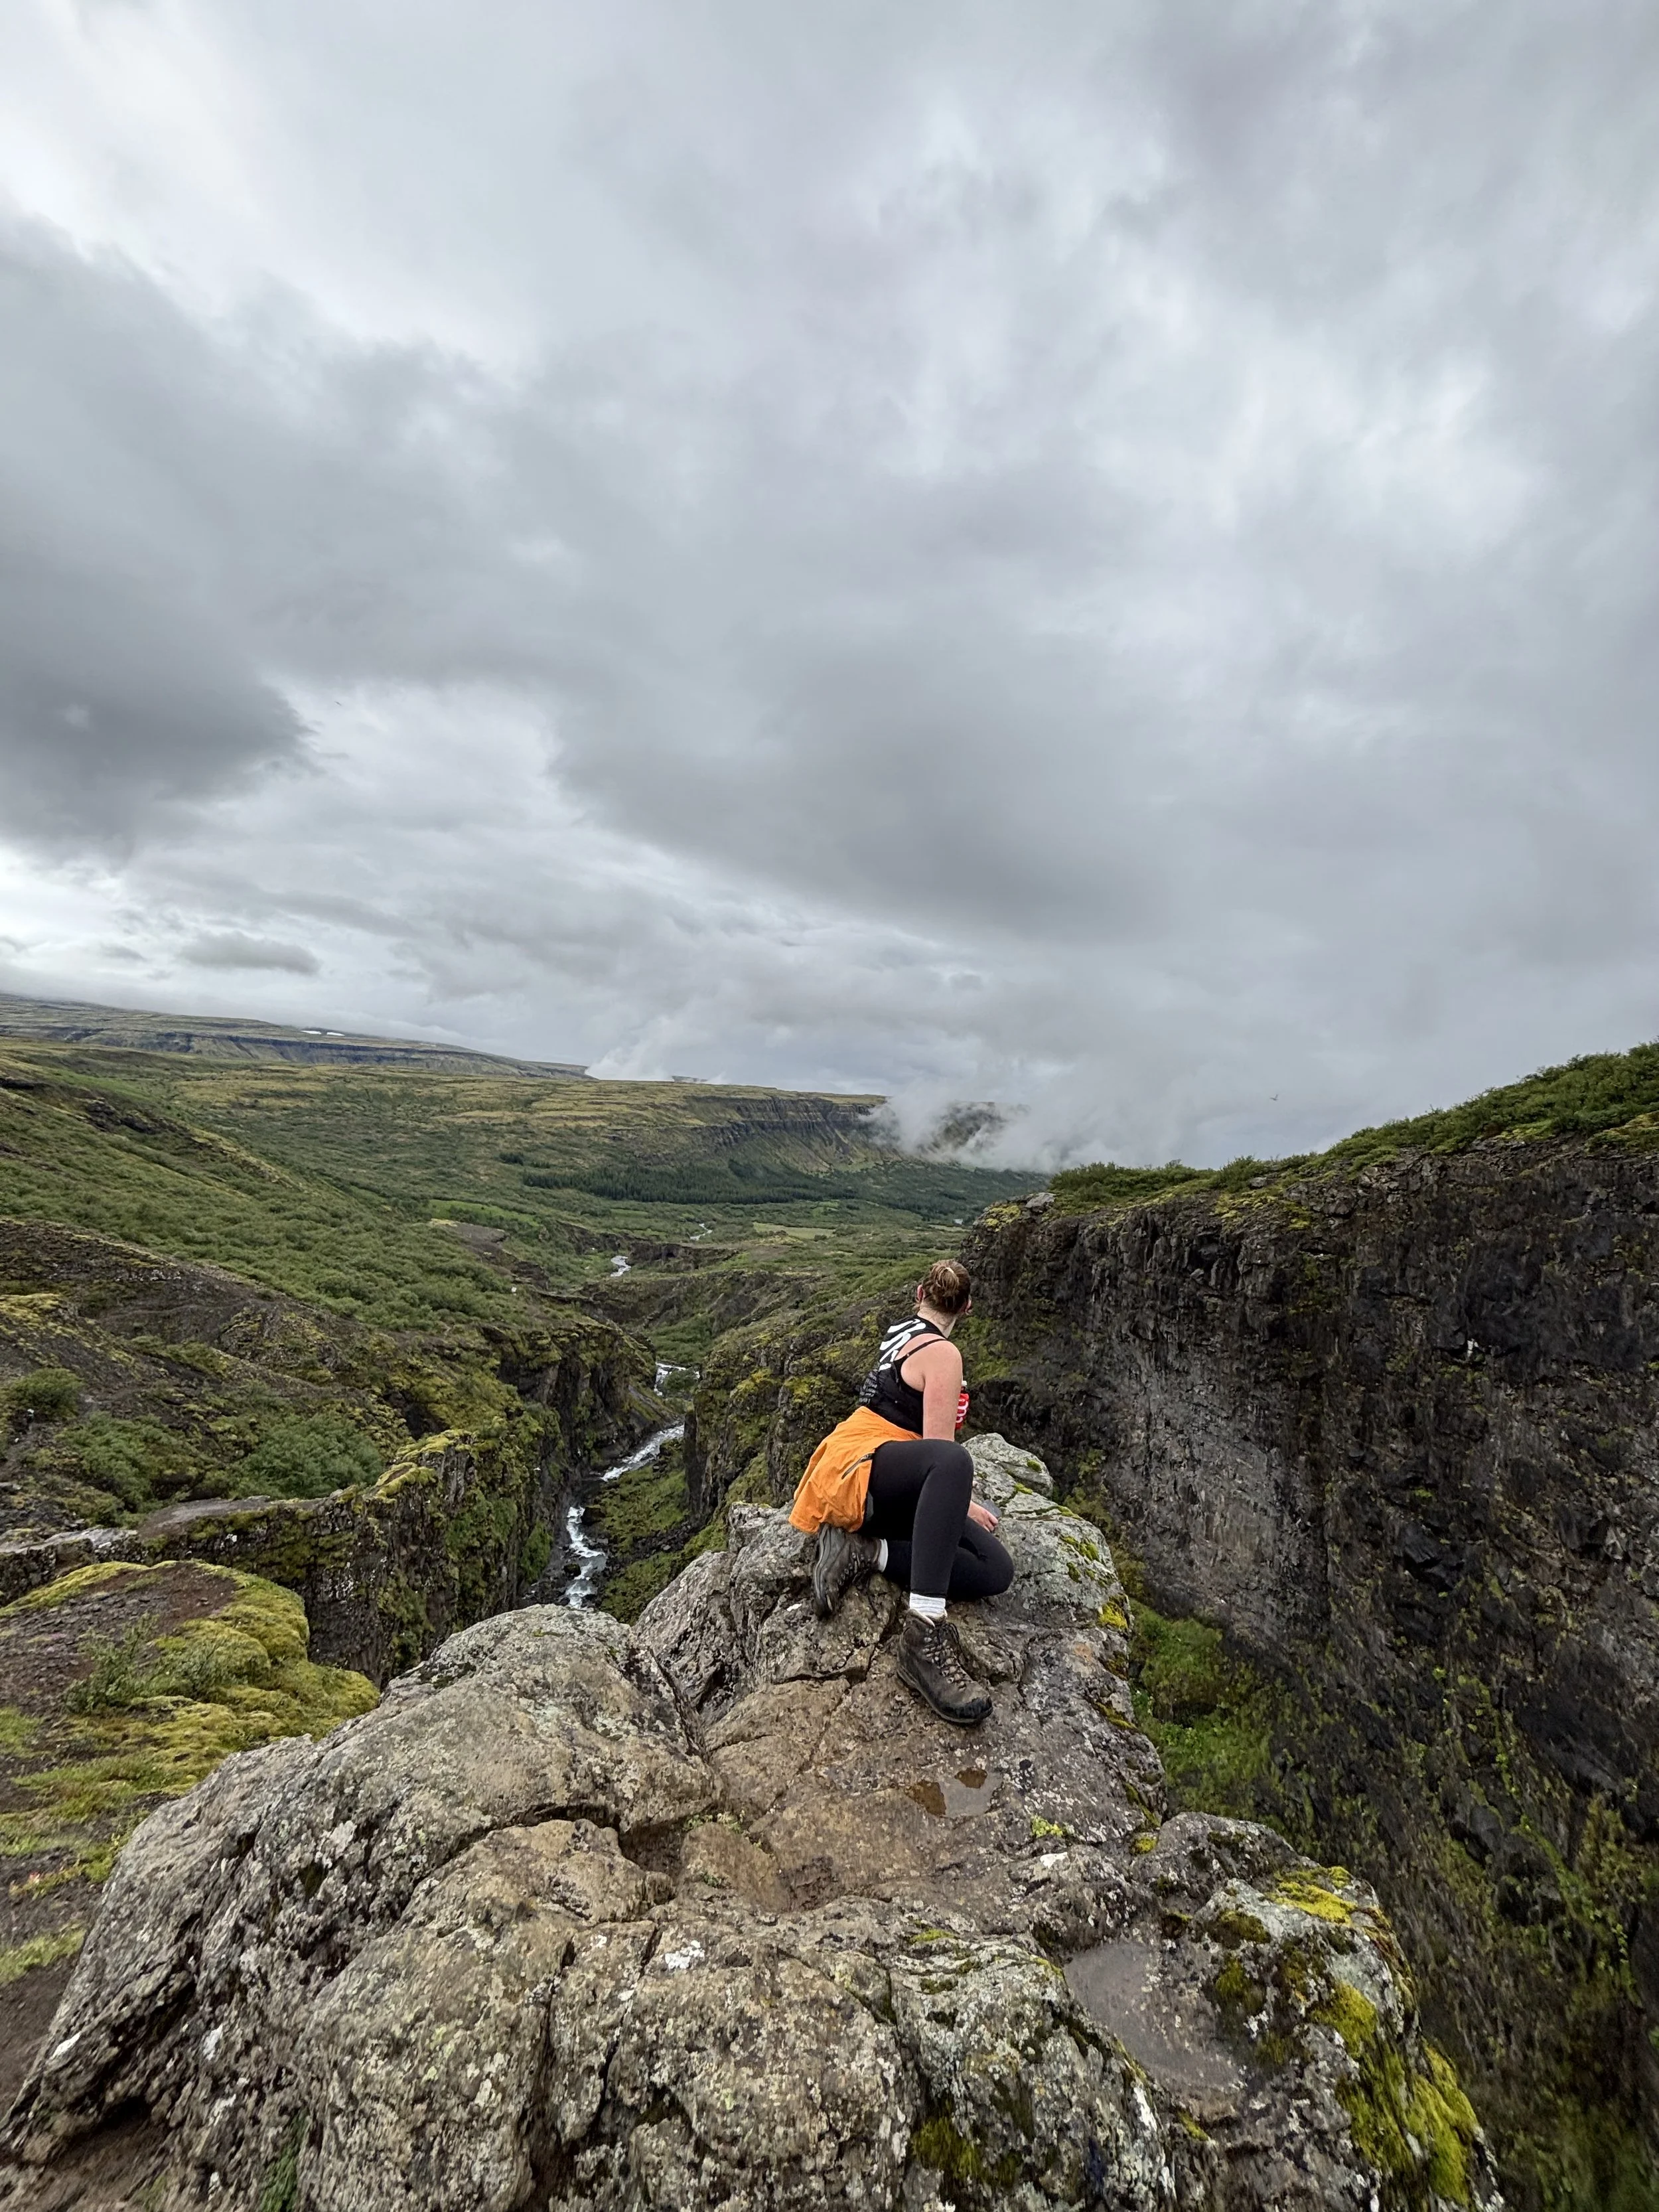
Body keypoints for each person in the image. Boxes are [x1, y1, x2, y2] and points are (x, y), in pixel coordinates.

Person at [788, 1259, 1012, 1726]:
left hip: (858, 1466)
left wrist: (954, 1504)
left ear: (919, 1293)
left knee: (996, 1568)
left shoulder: (902, 1331)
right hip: (864, 1469)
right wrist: (963, 1502)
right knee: (954, 1463)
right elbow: (938, 1448)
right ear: (967, 1307)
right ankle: (924, 1636)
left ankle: (866, 1552)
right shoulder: (945, 1356)